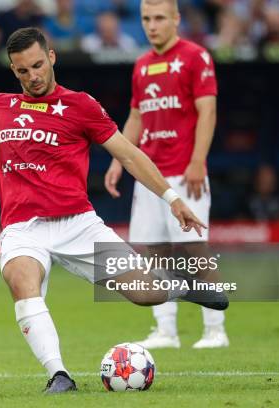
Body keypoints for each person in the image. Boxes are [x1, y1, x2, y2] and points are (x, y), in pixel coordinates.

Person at [0, 27, 228, 393]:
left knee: (144, 293)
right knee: (21, 280)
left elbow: (129, 155)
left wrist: (173, 199)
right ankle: (59, 375)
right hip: (23, 228)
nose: (33, 76)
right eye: (23, 71)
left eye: (38, 65)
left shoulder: (81, 106)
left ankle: (181, 288)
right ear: (13, 70)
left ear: (51, 58)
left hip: (78, 224)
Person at [104, 0, 228, 349]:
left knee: (192, 249)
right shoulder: (142, 65)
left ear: (176, 19)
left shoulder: (195, 56)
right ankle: (166, 331)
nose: (152, 25)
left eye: (159, 18)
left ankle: (215, 329)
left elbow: (208, 111)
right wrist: (118, 161)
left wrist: (198, 160)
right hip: (150, 177)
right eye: (146, 18)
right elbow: (136, 117)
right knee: (153, 252)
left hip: (185, 174)